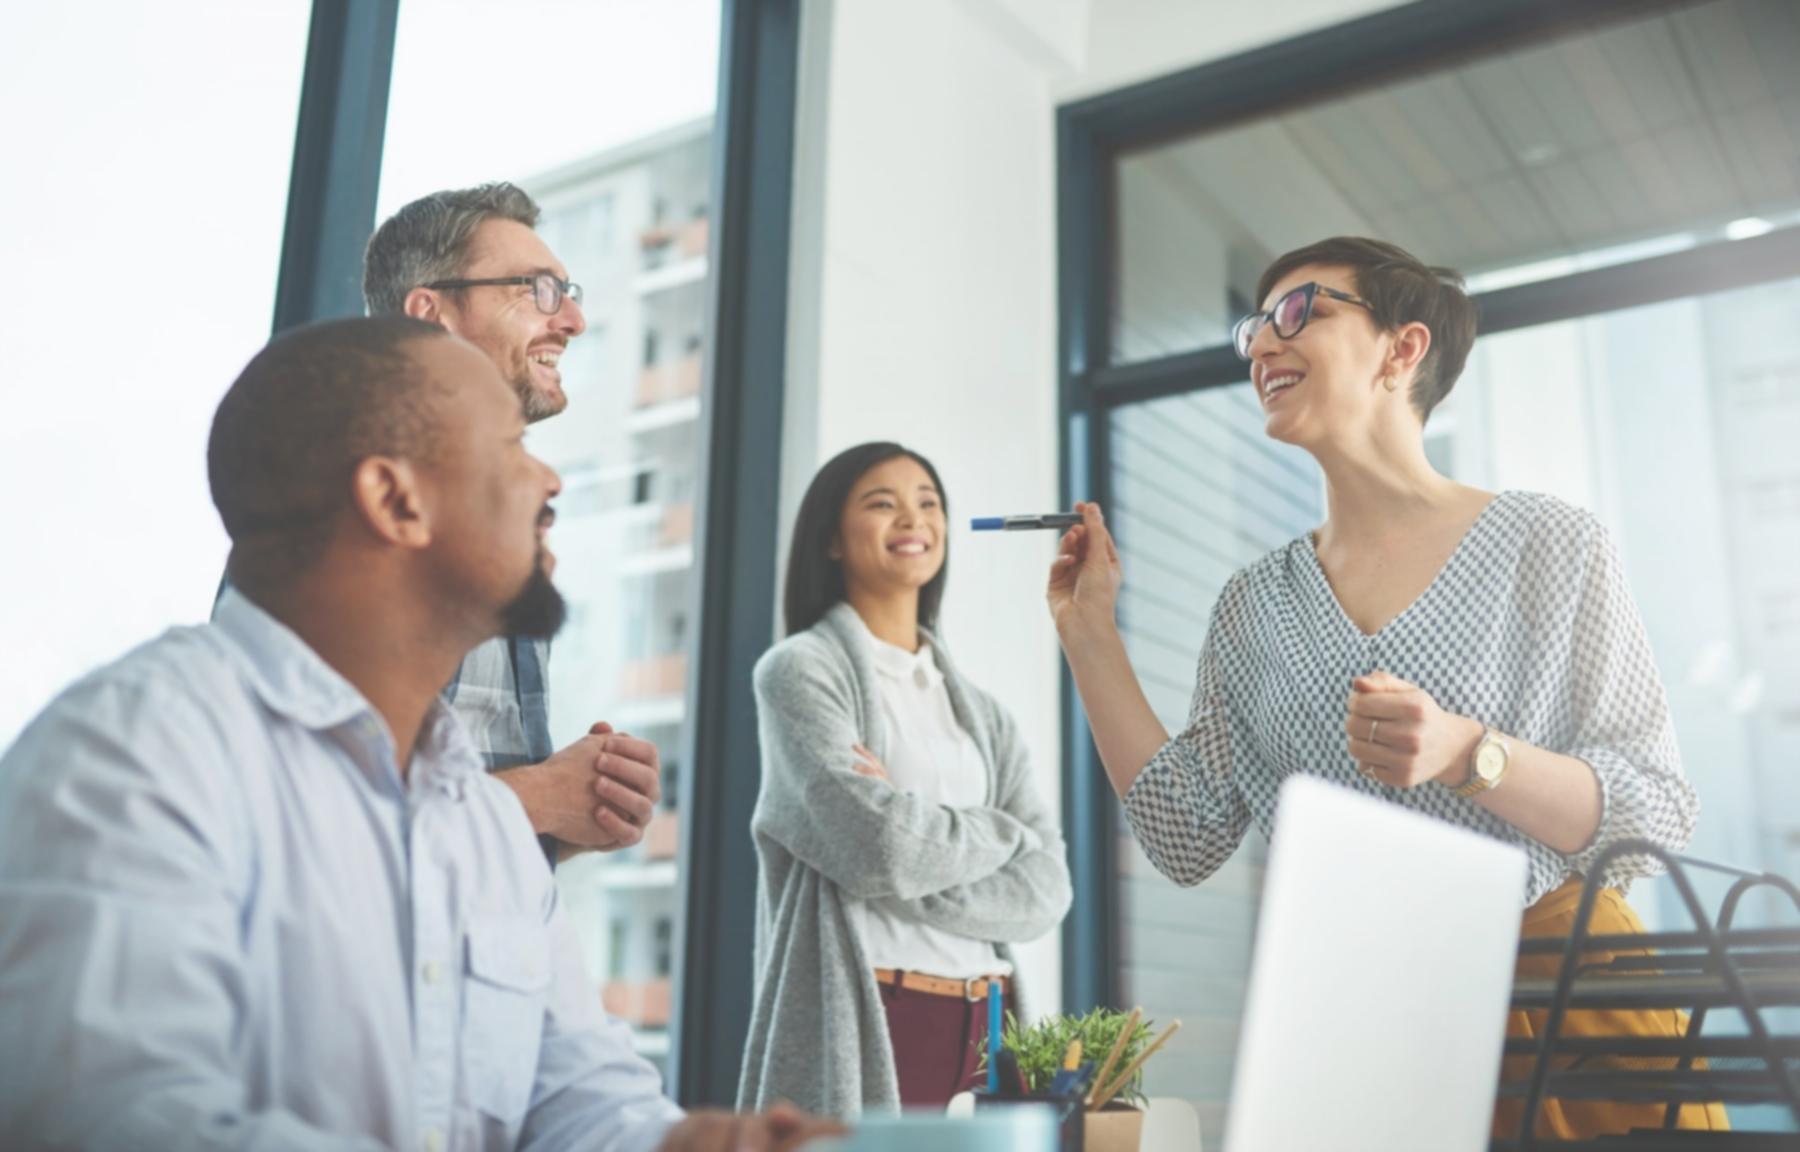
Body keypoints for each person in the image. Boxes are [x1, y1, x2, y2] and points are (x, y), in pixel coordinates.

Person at [0, 317, 838, 1152]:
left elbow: (587, 1106)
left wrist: (700, 1147)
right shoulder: (132, 753)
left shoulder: (478, 819)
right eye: (512, 446)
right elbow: (112, 1118)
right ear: (396, 501)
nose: (549, 479)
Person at [1046, 237, 1727, 1141]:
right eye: (1254, 327)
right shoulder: (1254, 605)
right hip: (1361, 1021)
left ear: (1402, 349)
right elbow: (1183, 833)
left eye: (1301, 313)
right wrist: (1089, 634)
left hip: (1566, 1002)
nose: (1260, 346)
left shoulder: (1552, 544)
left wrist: (1467, 753)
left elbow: (1654, 813)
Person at [738, 442, 1072, 1116]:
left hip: (990, 1022)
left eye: (928, 502)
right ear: (831, 538)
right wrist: (1002, 833)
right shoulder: (799, 673)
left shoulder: (983, 713)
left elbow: (1046, 891)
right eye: (882, 503)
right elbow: (880, 849)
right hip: (881, 1014)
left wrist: (909, 848)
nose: (913, 519)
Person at [364, 182, 656, 865]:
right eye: (538, 290)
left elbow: (460, 820)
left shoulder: (506, 521)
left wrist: (577, 817)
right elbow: (317, 813)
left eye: (569, 290)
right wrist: (548, 797)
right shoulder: (357, 509)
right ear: (432, 315)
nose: (574, 320)